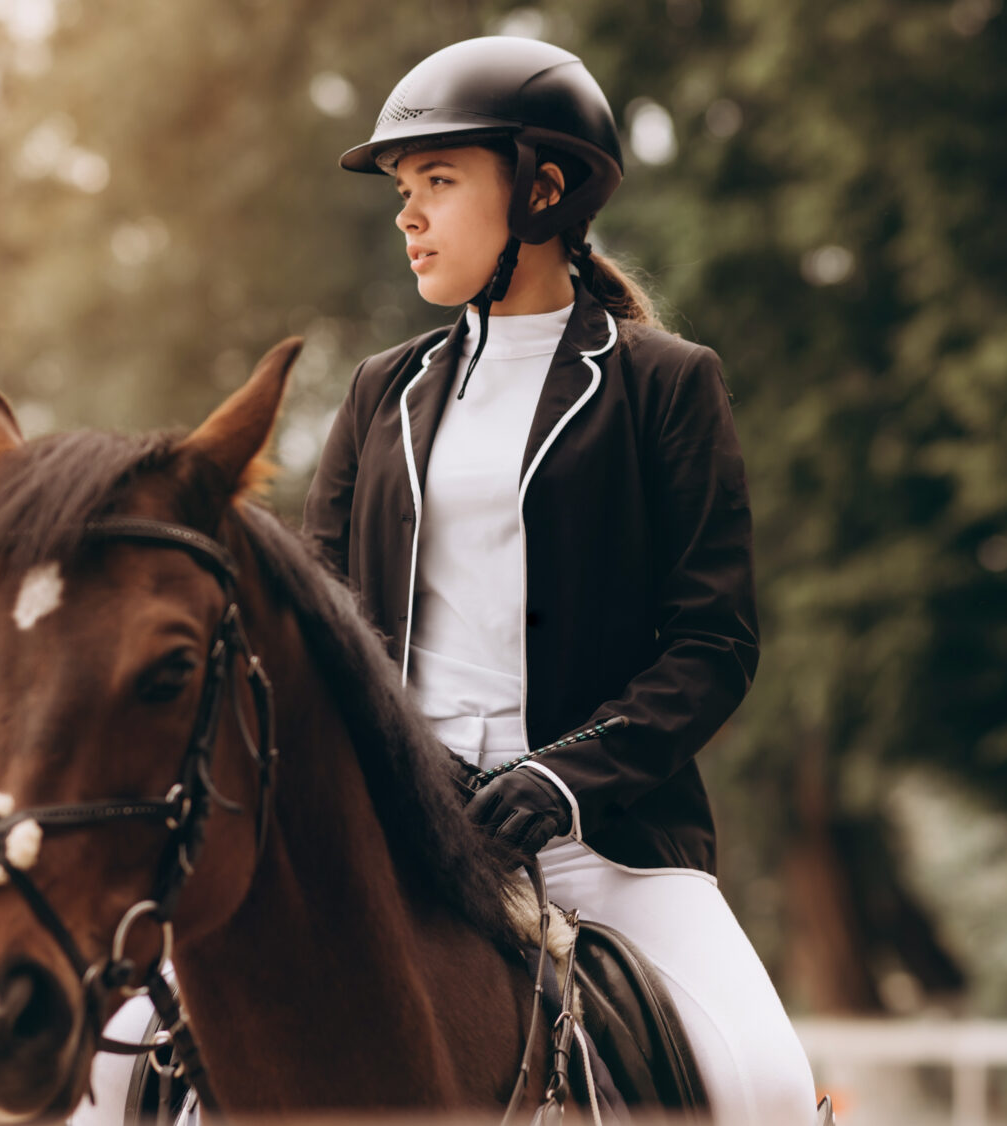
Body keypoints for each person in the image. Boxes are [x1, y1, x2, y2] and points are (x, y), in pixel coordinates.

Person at [304, 35, 817, 1125]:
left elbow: (713, 646)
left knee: (767, 1086)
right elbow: (323, 619)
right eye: (405, 189)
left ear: (541, 189)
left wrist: (566, 779)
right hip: (399, 833)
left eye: (438, 182)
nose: (409, 215)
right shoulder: (376, 396)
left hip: (602, 846)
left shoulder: (665, 385)